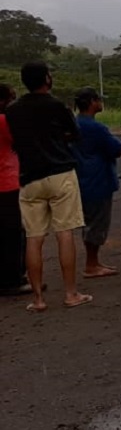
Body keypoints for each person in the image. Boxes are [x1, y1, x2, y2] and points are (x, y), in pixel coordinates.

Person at [5, 61, 91, 311]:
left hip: (29, 177)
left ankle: (38, 299)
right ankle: (71, 294)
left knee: (34, 237)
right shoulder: (56, 105)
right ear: (46, 79)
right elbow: (74, 134)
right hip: (60, 173)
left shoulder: (12, 110)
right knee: (65, 233)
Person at [71, 87, 121, 279]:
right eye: (99, 100)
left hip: (81, 178)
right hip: (98, 180)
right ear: (92, 102)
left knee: (88, 222)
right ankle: (91, 264)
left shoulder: (73, 124)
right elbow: (117, 149)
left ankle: (93, 262)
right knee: (97, 224)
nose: (101, 103)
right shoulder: (96, 128)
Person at [0, 83, 32, 296]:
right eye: (11, 97)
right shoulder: (4, 121)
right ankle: (13, 279)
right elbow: (20, 141)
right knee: (14, 235)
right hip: (7, 182)